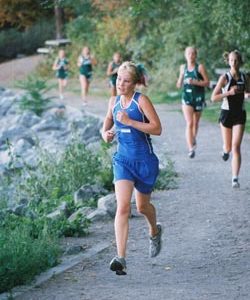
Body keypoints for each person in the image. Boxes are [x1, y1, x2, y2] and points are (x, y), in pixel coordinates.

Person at [102, 61, 163, 275]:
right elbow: (106, 125)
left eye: (126, 81)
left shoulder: (141, 101)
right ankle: (121, 258)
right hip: (123, 162)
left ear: (135, 83)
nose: (121, 84)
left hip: (145, 162)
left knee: (142, 207)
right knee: (122, 208)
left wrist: (130, 121)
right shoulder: (113, 101)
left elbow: (157, 129)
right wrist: (106, 134)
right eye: (119, 79)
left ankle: (155, 231)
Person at [211, 50, 250, 188]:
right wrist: (228, 92)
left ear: (240, 62)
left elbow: (247, 92)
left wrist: (247, 95)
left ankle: (235, 178)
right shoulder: (225, 78)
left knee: (236, 146)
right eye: (231, 60)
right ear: (228, 61)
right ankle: (225, 151)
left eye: (236, 60)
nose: (234, 63)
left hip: (239, 113)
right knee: (228, 147)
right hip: (226, 113)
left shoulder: (245, 77)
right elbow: (213, 97)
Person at [176, 46, 209, 158]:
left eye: (193, 53)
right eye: (188, 53)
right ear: (185, 55)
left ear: (195, 55)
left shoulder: (200, 67)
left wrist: (195, 82)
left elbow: (207, 83)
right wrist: (181, 76)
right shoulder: (183, 67)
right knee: (189, 123)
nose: (190, 55)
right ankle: (190, 149)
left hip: (198, 97)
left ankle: (193, 138)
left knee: (195, 123)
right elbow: (178, 85)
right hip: (187, 98)